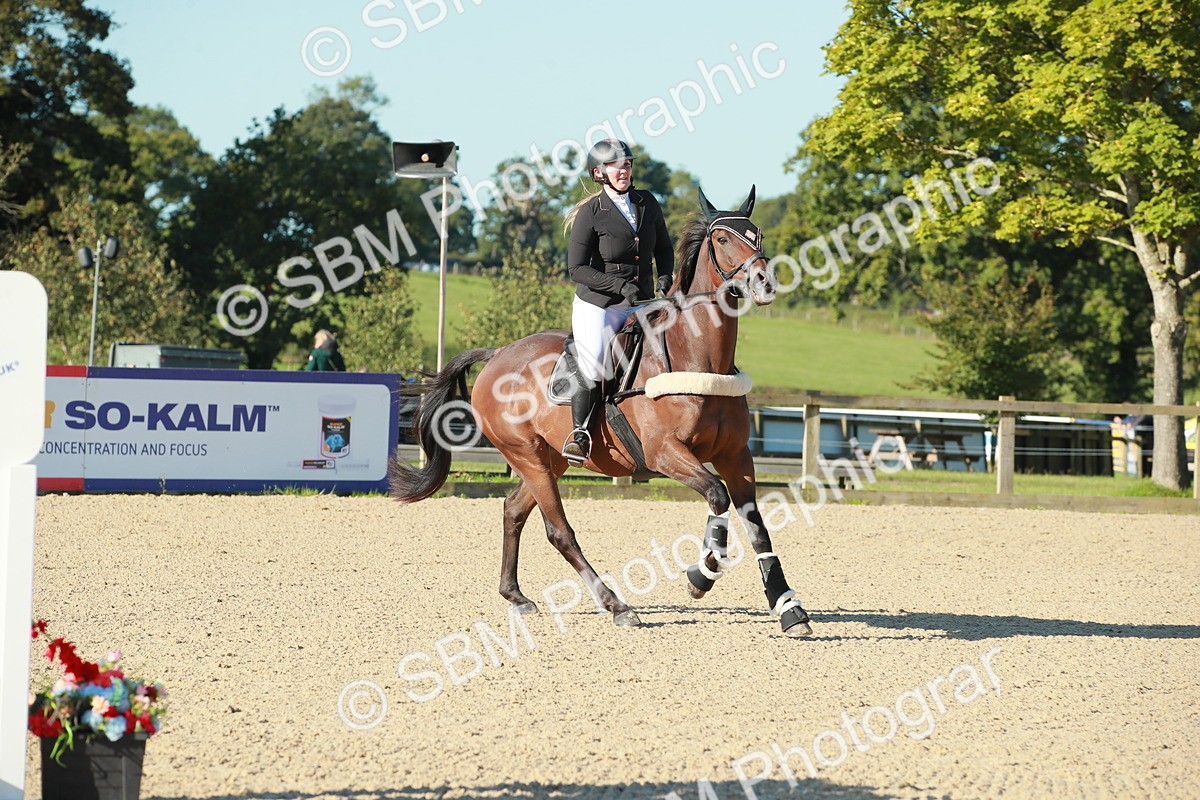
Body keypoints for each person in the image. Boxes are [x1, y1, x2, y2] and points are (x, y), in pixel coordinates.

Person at [560, 138, 674, 464]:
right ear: (599, 172)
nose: (623, 170)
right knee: (594, 361)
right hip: (599, 304)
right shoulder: (591, 212)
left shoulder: (647, 202)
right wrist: (620, 288)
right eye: (615, 166)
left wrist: (665, 276)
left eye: (626, 164)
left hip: (643, 301)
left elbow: (664, 249)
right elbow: (577, 269)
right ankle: (580, 433)